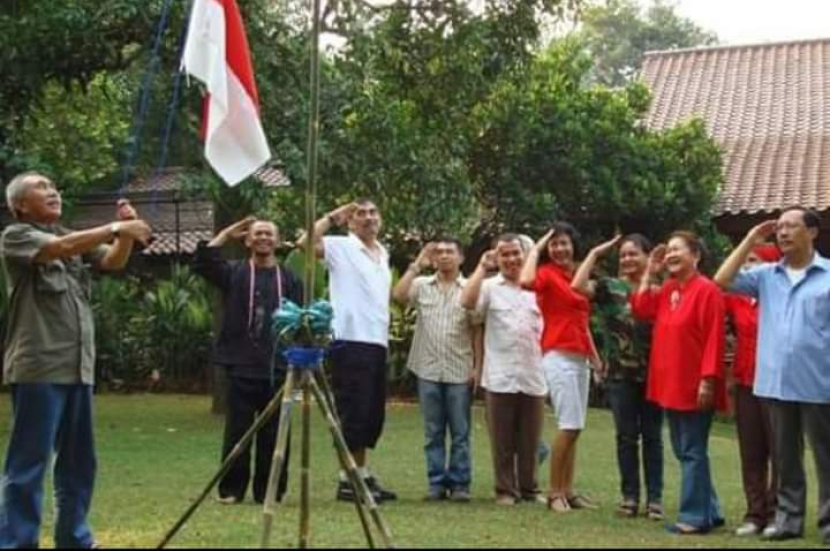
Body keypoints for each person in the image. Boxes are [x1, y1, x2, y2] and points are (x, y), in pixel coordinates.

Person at [0, 171, 151, 548]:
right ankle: (17, 542)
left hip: (77, 368)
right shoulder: (16, 236)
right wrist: (116, 225)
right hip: (39, 367)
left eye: (54, 186)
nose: (53, 191)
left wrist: (125, 237)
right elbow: (59, 249)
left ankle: (74, 538)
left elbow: (113, 262)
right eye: (42, 188)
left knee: (79, 463)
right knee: (29, 463)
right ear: (19, 205)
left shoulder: (70, 238)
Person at [714, 207, 830, 544]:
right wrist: (750, 238)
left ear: (812, 233)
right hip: (774, 382)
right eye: (779, 227)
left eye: (791, 226)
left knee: (825, 457)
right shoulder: (765, 276)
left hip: (819, 382)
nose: (782, 232)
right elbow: (721, 279)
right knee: (786, 459)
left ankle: (827, 523)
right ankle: (788, 521)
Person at [193, 217, 303, 505]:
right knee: (237, 432)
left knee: (276, 435)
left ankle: (271, 491)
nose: (263, 238)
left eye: (269, 233)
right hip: (241, 365)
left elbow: (300, 323)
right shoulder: (235, 272)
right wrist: (226, 233)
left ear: (277, 242)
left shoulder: (290, 279)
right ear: (248, 240)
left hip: (279, 367)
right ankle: (231, 490)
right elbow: (203, 262)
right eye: (257, 234)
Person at [298, 199, 396, 503]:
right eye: (360, 214)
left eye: (372, 212)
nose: (367, 218)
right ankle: (346, 480)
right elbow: (304, 243)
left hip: (377, 341)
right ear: (350, 222)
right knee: (352, 410)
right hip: (350, 340)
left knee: (370, 413)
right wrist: (331, 216)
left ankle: (361, 474)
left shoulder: (383, 252)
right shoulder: (340, 246)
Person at [630, 231, 726, 535]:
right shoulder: (670, 288)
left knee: (692, 449)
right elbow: (641, 309)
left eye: (677, 250)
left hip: (695, 382)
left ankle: (695, 517)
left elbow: (714, 337)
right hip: (669, 381)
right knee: (684, 448)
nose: (670, 255)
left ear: (695, 255)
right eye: (668, 250)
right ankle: (710, 509)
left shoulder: (707, 290)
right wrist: (649, 271)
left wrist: (708, 380)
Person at [572, 233, 664, 520]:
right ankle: (630, 497)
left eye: (633, 253)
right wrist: (595, 253)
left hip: (655, 374)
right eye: (623, 255)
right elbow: (576, 286)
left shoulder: (660, 290)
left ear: (648, 257)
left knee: (652, 437)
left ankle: (655, 499)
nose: (627, 259)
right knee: (626, 437)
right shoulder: (608, 287)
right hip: (620, 374)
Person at [460, 234, 547, 506]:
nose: (511, 259)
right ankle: (505, 490)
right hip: (499, 373)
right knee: (502, 439)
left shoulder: (538, 287)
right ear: (497, 258)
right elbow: (466, 302)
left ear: (526, 254)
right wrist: (482, 267)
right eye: (504, 254)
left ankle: (530, 489)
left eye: (515, 253)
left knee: (530, 439)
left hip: (534, 372)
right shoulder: (489, 286)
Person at [393, 238, 482, 502]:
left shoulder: (470, 288)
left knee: (460, 431)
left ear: (461, 258)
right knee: (433, 431)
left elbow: (477, 330)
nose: (444, 256)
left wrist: (478, 367)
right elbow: (398, 296)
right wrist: (417, 265)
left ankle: (460, 484)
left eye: (449, 252)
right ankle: (435, 483)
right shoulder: (421, 286)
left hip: (459, 368)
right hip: (428, 368)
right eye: (439, 252)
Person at [519, 222, 599, 513]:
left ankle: (569, 490)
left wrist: (596, 357)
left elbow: (582, 319)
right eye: (554, 244)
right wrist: (536, 249)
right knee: (569, 425)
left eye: (564, 243)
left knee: (576, 427)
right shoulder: (546, 274)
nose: (560, 249)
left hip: (581, 357)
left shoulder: (577, 275)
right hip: (557, 355)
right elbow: (525, 281)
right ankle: (555, 493)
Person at [722, 244, 781, 536]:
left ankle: (776, 513)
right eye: (745, 261)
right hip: (745, 381)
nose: (747, 266)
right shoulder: (738, 299)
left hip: (777, 383)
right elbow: (716, 289)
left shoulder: (778, 296)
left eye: (754, 261)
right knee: (752, 451)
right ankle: (754, 513)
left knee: (780, 451)